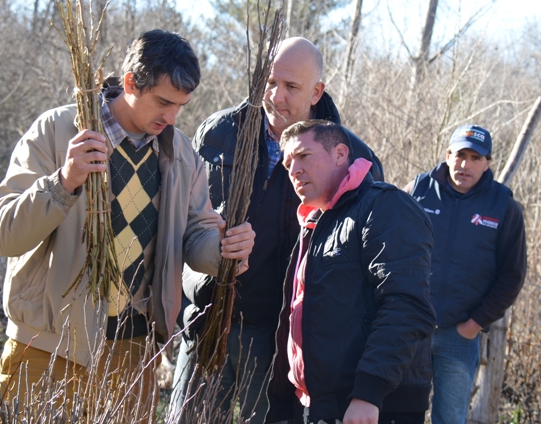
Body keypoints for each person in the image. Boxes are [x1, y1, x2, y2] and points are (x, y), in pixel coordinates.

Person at [0, 29, 255, 419]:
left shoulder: (182, 155)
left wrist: (225, 251)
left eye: (181, 105)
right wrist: (63, 183)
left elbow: (196, 237)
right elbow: (4, 234)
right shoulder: (58, 131)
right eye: (163, 102)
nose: (172, 116)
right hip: (49, 349)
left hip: (132, 354)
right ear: (131, 82)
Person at [169, 38, 384, 423]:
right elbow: (184, 222)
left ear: (317, 92)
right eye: (269, 82)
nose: (275, 96)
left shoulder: (350, 158)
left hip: (281, 339)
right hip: (207, 320)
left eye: (291, 87)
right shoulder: (218, 134)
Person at [266, 120, 436, 424]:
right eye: (288, 162)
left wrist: (368, 393)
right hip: (319, 403)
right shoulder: (315, 224)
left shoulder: (385, 206)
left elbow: (406, 306)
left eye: (304, 155)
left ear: (340, 154)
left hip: (373, 406)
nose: (293, 169)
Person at [404, 124, 527, 424]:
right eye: (460, 155)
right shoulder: (416, 191)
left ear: (487, 163)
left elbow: (512, 276)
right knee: (398, 414)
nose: (465, 165)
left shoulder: (505, 207)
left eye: (475, 158)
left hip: (459, 335)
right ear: (447, 155)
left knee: (450, 418)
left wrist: (475, 324)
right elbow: (389, 250)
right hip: (408, 329)